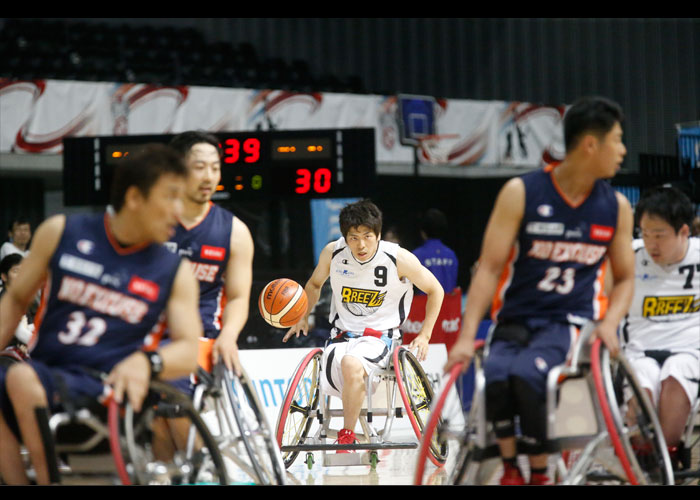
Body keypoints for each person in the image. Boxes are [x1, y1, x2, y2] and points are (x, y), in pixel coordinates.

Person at [445, 96, 636, 485]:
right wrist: (466, 338)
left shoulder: (615, 206)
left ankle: (539, 474)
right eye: (617, 140)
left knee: (530, 377)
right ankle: (512, 469)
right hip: (515, 318)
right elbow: (489, 269)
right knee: (497, 376)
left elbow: (626, 278)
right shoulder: (521, 192)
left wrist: (610, 323)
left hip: (568, 322)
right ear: (590, 144)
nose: (623, 151)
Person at [0, 144, 202, 485]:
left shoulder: (174, 270)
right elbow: (16, 300)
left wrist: (147, 362)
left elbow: (188, 352)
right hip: (49, 374)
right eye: (170, 198)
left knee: (20, 379)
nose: (178, 212)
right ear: (135, 198)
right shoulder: (61, 232)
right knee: (17, 380)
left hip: (111, 385)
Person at [283, 199, 444, 450]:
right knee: (345, 364)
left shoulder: (398, 258)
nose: (361, 244)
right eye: (354, 237)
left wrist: (425, 335)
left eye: (367, 236)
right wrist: (303, 314)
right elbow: (314, 285)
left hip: (381, 340)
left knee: (352, 363)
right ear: (345, 237)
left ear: (378, 235)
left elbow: (436, 290)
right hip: (341, 338)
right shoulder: (332, 253)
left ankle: (346, 435)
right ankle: (350, 426)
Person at [621, 186, 699, 467]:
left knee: (676, 375)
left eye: (660, 235)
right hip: (639, 350)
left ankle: (668, 454)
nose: (652, 243)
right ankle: (644, 455)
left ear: (684, 232)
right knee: (644, 382)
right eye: (645, 234)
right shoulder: (628, 254)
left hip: (691, 349)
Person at [167, 130, 255, 377]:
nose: (209, 177)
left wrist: (229, 335)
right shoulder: (151, 221)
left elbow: (238, 297)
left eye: (215, 168)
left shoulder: (235, 232)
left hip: (202, 336)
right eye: (199, 167)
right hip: (149, 333)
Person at [412, 208, 459, 293]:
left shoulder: (415, 256)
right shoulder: (451, 255)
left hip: (424, 305)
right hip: (450, 306)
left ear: (423, 232)